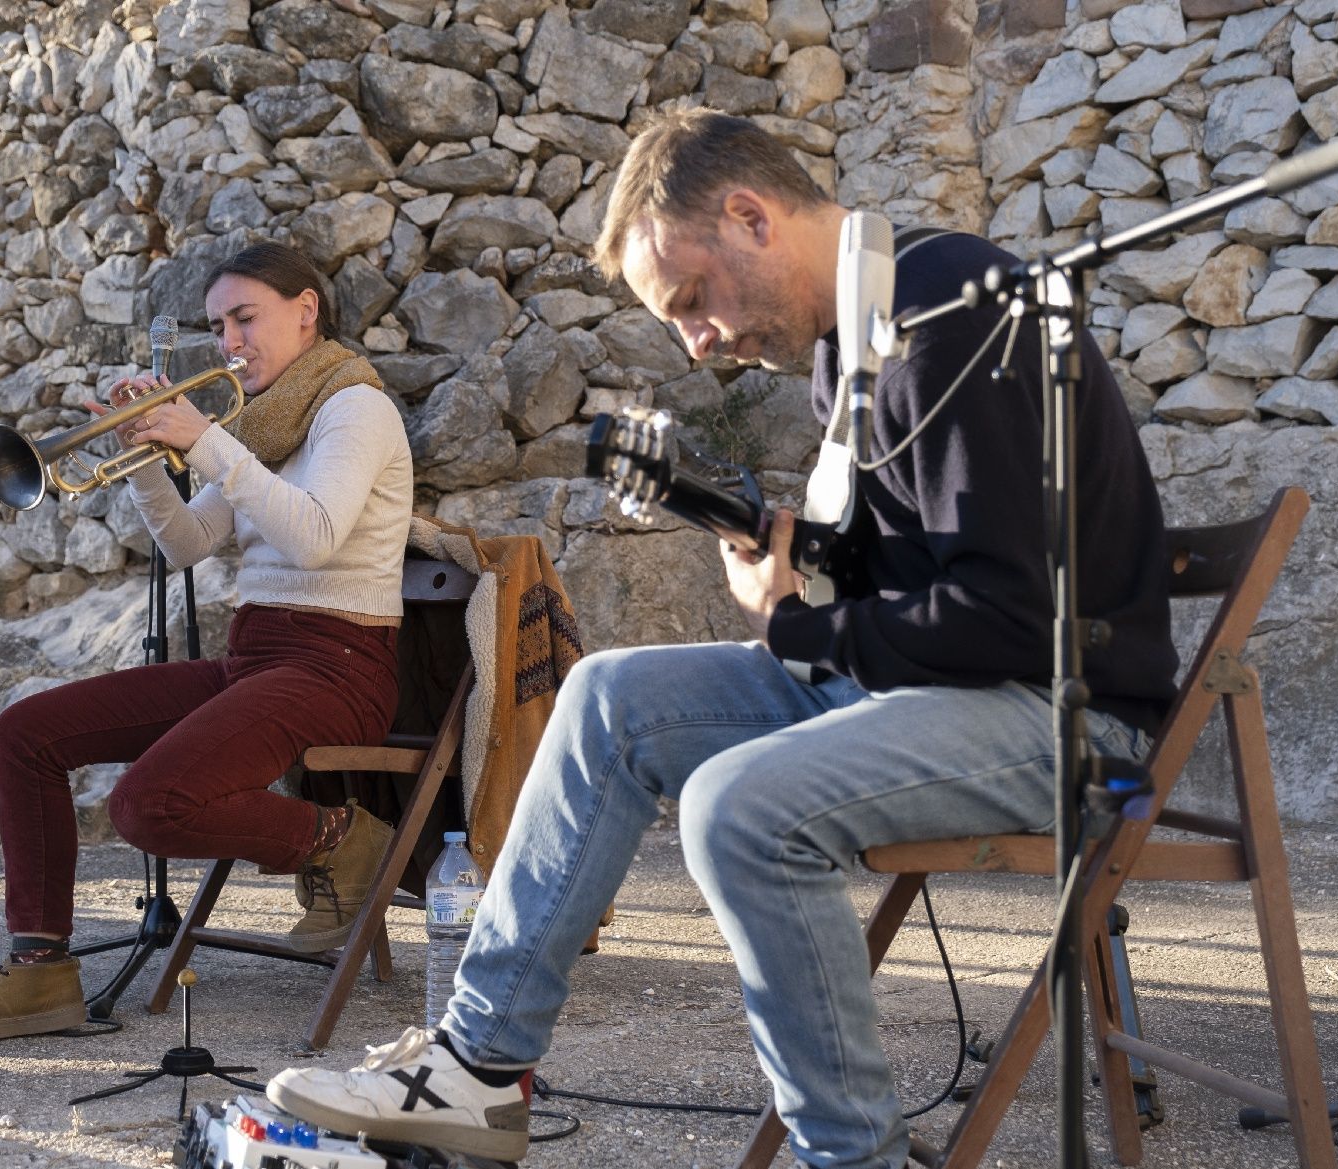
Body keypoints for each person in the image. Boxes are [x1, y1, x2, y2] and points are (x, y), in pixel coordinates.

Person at [263, 109, 1180, 1168]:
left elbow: (1012, 620)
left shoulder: (949, 315)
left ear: (748, 216)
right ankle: (475, 1066)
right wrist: (802, 574)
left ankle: (852, 1155)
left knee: (740, 805)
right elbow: (927, 576)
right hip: (939, 692)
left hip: (1057, 712)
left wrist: (793, 623)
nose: (697, 340)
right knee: (606, 697)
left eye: (692, 300)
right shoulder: (855, 345)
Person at [0, 241, 415, 1044]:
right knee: (26, 734)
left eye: (245, 318)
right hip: (257, 657)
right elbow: (186, 541)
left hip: (339, 665)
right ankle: (40, 970)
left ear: (306, 310)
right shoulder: (265, 421)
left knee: (147, 804)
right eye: (219, 325)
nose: (230, 342)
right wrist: (145, 455)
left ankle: (340, 837)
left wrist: (208, 441)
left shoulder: (358, 409)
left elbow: (316, 537)